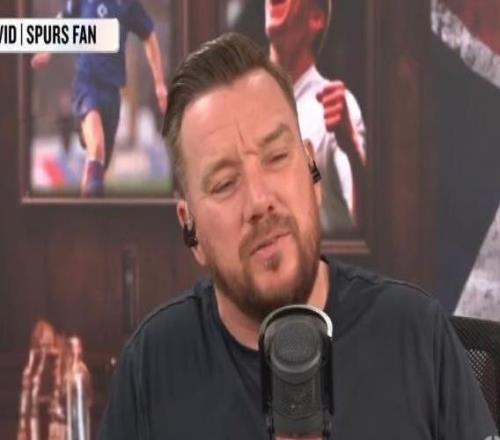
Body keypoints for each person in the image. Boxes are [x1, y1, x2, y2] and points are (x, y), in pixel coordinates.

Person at [98, 33, 496, 439]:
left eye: (276, 158)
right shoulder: (151, 367)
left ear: (312, 171)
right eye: (224, 183)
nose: (259, 201)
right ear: (191, 228)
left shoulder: (416, 334)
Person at [31, 0, 168, 197]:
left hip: (112, 92)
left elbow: (150, 36)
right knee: (96, 146)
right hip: (86, 85)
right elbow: (63, 19)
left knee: (97, 169)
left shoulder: (128, 5)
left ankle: (85, 210)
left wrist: (159, 84)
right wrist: (47, 51)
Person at [265, 0, 367, 238]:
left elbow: (366, 225)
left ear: (315, 19)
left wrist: (352, 149)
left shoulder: (335, 109)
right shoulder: (246, 109)